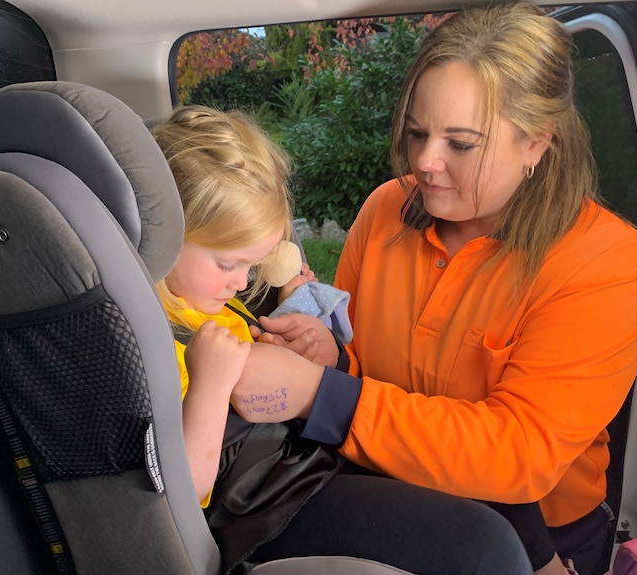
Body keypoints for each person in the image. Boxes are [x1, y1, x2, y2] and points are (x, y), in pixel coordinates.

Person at [229, 4, 637, 575]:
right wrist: (330, 358)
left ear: (536, 142)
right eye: (417, 133)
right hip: (383, 491)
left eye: (461, 144)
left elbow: (517, 456)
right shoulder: (385, 210)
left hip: (534, 543)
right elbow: (365, 371)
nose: (425, 162)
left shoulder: (608, 263)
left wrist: (320, 395)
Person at [151, 104, 533, 575]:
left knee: (491, 492)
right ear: (160, 236)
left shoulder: (206, 298)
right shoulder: (151, 341)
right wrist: (211, 388)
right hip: (263, 510)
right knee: (482, 548)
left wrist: (300, 348)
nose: (241, 281)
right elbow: (176, 502)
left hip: (300, 464)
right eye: (229, 265)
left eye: (253, 265)